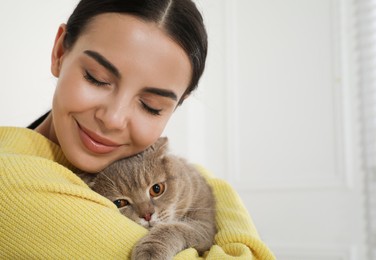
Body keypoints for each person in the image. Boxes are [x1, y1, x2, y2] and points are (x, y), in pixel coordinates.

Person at [0, 0, 275, 259]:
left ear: (176, 107)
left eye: (151, 105)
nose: (113, 119)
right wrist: (219, 189)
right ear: (59, 52)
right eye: (96, 79)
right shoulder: (11, 185)